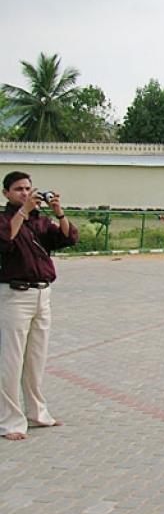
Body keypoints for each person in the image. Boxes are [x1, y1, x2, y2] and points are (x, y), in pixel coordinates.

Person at [0, 172, 78, 440]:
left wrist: (59, 212)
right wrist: (22, 211)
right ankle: (10, 421)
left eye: (28, 189)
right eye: (19, 189)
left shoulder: (40, 221)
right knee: (10, 361)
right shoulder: (5, 219)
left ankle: (37, 413)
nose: (25, 193)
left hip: (41, 294)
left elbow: (67, 239)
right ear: (6, 193)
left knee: (35, 359)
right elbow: (5, 241)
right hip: (14, 296)